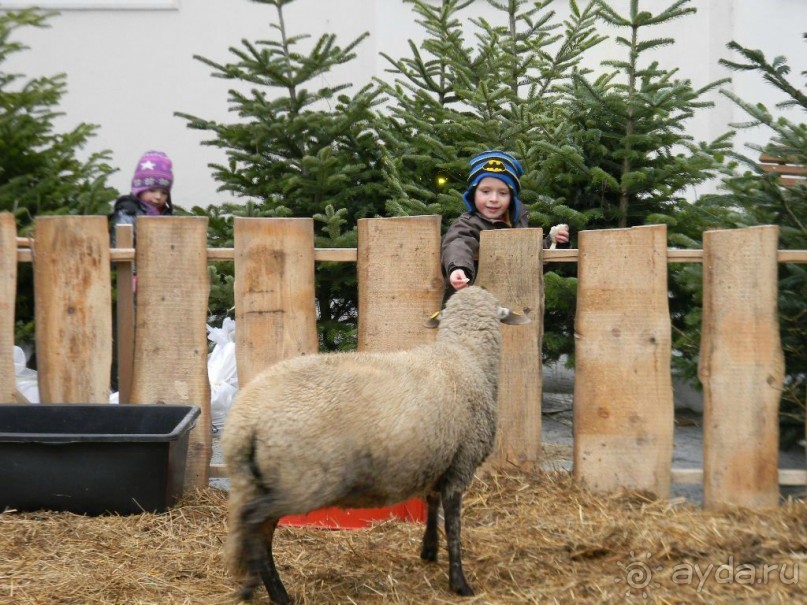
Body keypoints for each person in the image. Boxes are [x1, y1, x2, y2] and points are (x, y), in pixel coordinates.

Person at [441, 150, 569, 299]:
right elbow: (457, 243)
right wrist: (458, 267)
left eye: (502, 193)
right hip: (476, 302)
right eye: (486, 191)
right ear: (473, 193)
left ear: (511, 197)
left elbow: (531, 257)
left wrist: (553, 242)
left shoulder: (518, 222)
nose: (494, 199)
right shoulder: (468, 224)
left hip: (514, 300)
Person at [109, 150, 174, 246]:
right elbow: (119, 245)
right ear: (139, 190)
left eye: (164, 193)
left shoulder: (166, 214)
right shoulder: (128, 213)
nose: (158, 197)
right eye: (152, 190)